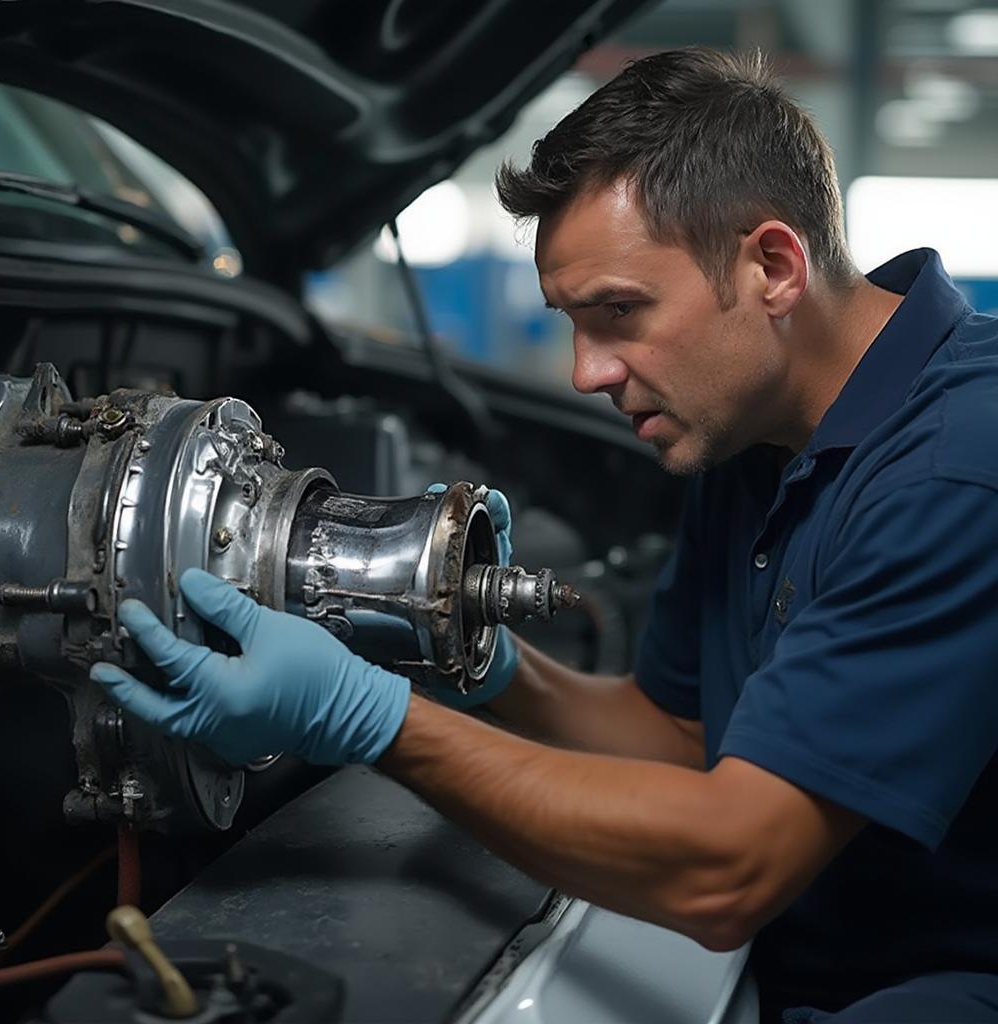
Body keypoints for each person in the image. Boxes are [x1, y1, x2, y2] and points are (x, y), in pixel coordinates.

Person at [90, 48, 998, 1024]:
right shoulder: (752, 430)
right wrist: (488, 666)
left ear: (772, 265)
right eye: (570, 320)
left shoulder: (958, 463)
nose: (584, 373)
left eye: (619, 312)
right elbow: (680, 736)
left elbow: (730, 866)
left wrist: (371, 719)